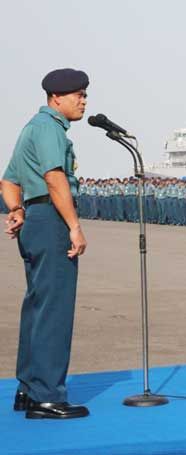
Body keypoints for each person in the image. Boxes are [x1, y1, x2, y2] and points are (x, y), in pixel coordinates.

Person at [1, 68, 90, 419]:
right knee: (54, 310)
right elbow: (54, 178)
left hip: (34, 220)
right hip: (51, 220)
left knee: (37, 306)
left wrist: (17, 209)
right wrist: (74, 226)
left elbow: (8, 180)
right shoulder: (50, 128)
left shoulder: (30, 128)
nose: (83, 101)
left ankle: (28, 387)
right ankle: (48, 397)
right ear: (56, 98)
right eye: (78, 95)